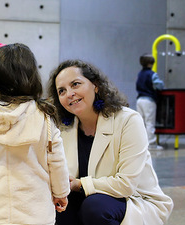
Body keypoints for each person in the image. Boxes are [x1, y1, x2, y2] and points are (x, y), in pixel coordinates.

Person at [0, 43, 70, 225]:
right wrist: (61, 192)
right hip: (36, 211)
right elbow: (56, 160)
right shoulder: (43, 114)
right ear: (30, 76)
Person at [47, 59, 173, 225]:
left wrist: (79, 184)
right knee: (59, 206)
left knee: (94, 207)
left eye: (75, 84)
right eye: (61, 91)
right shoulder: (63, 129)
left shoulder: (128, 120)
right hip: (90, 201)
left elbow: (126, 185)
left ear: (96, 85)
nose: (69, 93)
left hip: (134, 200)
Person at [135, 54, 165, 150]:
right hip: (149, 100)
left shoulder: (139, 74)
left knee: (141, 123)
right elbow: (159, 86)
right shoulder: (152, 74)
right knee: (150, 123)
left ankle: (141, 144)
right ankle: (151, 144)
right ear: (151, 63)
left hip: (139, 100)